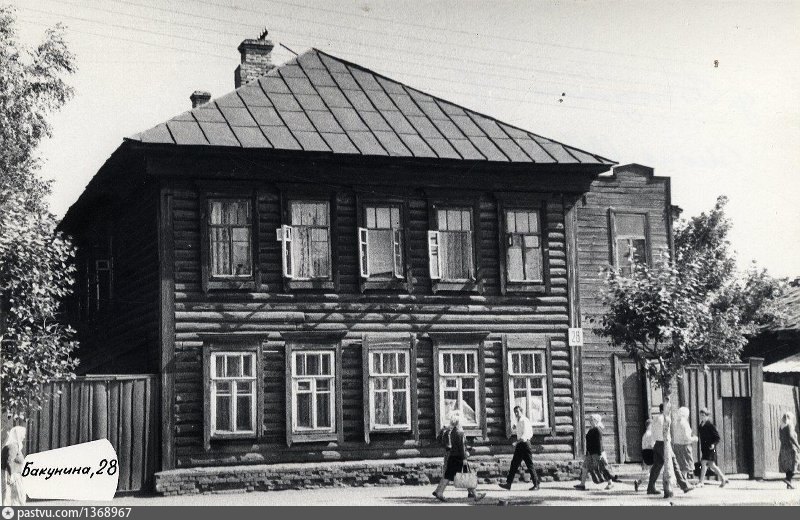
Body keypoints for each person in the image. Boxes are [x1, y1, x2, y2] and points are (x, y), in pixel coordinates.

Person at [432, 411, 485, 502]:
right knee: (467, 475)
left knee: (448, 475)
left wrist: (467, 449)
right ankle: (475, 495)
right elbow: (461, 447)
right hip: (459, 457)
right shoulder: (460, 433)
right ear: (459, 422)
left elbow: (457, 445)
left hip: (453, 456)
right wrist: (464, 458)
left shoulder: (453, 432)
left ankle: (439, 492)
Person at [647, 404, 693, 497]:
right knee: (674, 463)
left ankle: (650, 487)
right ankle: (684, 485)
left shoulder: (655, 418)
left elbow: (653, 432)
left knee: (657, 466)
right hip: (664, 443)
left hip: (657, 444)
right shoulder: (666, 419)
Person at [499, 405, 541, 491]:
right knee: (514, 464)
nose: (516, 414)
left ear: (521, 411)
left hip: (525, 444)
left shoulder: (524, 420)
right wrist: (515, 427)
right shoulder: (518, 421)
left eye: (517, 412)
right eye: (515, 412)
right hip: (520, 445)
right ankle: (508, 484)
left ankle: (536, 484)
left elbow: (525, 434)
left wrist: (516, 442)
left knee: (529, 464)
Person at [574, 414, 618, 490]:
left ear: (596, 421)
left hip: (597, 453)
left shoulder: (597, 430)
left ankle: (610, 483)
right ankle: (582, 484)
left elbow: (599, 442)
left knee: (602, 468)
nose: (590, 421)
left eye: (591, 420)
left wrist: (600, 454)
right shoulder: (591, 429)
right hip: (590, 453)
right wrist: (587, 452)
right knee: (585, 467)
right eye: (590, 419)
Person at [697, 407, 729, 488]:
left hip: (710, 448)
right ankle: (723, 478)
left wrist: (713, 444)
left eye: (703, 415)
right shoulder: (700, 425)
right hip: (704, 448)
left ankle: (701, 482)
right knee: (711, 465)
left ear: (707, 416)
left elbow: (717, 437)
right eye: (701, 415)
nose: (702, 417)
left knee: (703, 463)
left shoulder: (710, 425)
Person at [2, 426, 27, 506]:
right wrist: (11, 476)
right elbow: (9, 461)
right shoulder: (13, 446)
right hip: (14, 476)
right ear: (18, 435)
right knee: (17, 499)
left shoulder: (12, 446)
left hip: (15, 475)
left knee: (18, 498)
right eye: (23, 434)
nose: (24, 437)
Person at [673, 407, 698, 482]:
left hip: (677, 445)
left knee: (680, 464)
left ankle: (681, 481)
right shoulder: (684, 423)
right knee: (685, 465)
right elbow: (687, 437)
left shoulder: (676, 422)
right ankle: (683, 481)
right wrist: (694, 438)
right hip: (684, 446)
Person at [778, 412, 800, 489]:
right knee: (795, 462)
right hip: (791, 446)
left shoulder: (781, 426)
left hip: (784, 447)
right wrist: (797, 445)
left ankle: (789, 484)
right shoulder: (790, 425)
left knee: (788, 465)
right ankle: (787, 479)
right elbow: (791, 436)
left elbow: (780, 437)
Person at [634, 419, 655, 492]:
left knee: (649, 471)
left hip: (645, 452)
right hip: (650, 452)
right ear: (650, 425)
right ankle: (651, 486)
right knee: (653, 471)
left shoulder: (644, 434)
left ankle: (639, 482)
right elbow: (652, 445)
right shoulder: (650, 434)